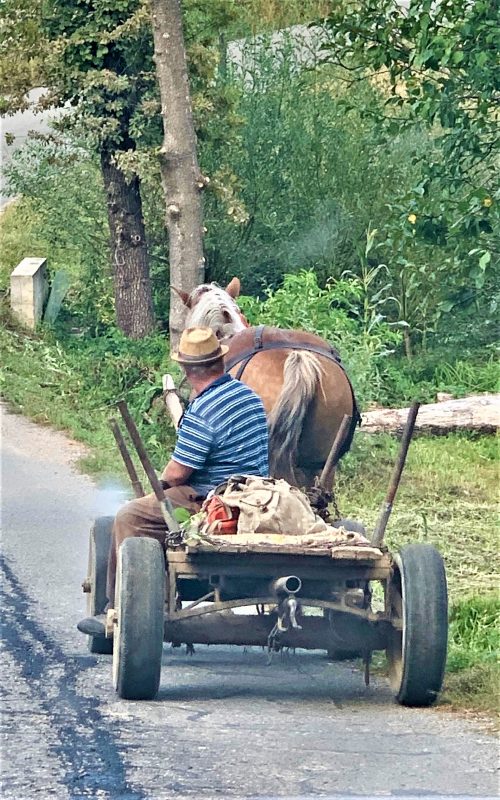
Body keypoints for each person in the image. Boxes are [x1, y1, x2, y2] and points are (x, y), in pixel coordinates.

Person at [77, 326, 269, 637]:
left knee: (130, 515)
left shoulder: (203, 410)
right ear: (220, 361)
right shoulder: (248, 396)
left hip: (213, 497)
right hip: (257, 494)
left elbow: (178, 474)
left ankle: (116, 608)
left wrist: (161, 483)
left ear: (187, 369)